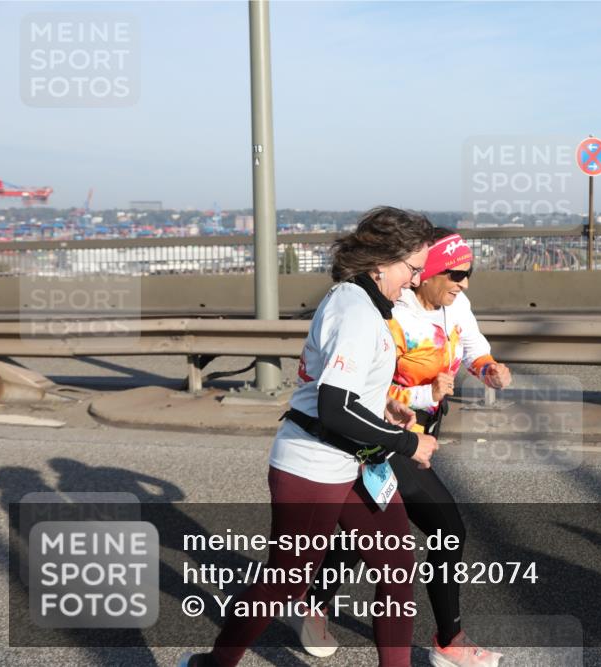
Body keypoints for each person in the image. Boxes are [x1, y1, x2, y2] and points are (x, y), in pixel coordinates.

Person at [180, 207, 439, 667]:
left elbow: (344, 391)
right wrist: (407, 443)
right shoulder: (356, 310)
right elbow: (333, 407)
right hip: (313, 466)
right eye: (413, 269)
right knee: (283, 582)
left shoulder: (363, 302)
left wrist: (383, 406)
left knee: (397, 568)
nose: (417, 281)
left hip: (356, 462)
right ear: (382, 261)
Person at [299, 229, 512, 667]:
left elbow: (473, 349)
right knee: (446, 528)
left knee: (369, 532)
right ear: (427, 273)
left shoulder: (457, 305)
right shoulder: (390, 311)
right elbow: (364, 392)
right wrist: (420, 396)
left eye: (468, 274)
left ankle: (311, 601)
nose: (464, 283)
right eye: (455, 274)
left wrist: (489, 369)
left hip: (419, 436)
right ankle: (449, 642)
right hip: (383, 435)